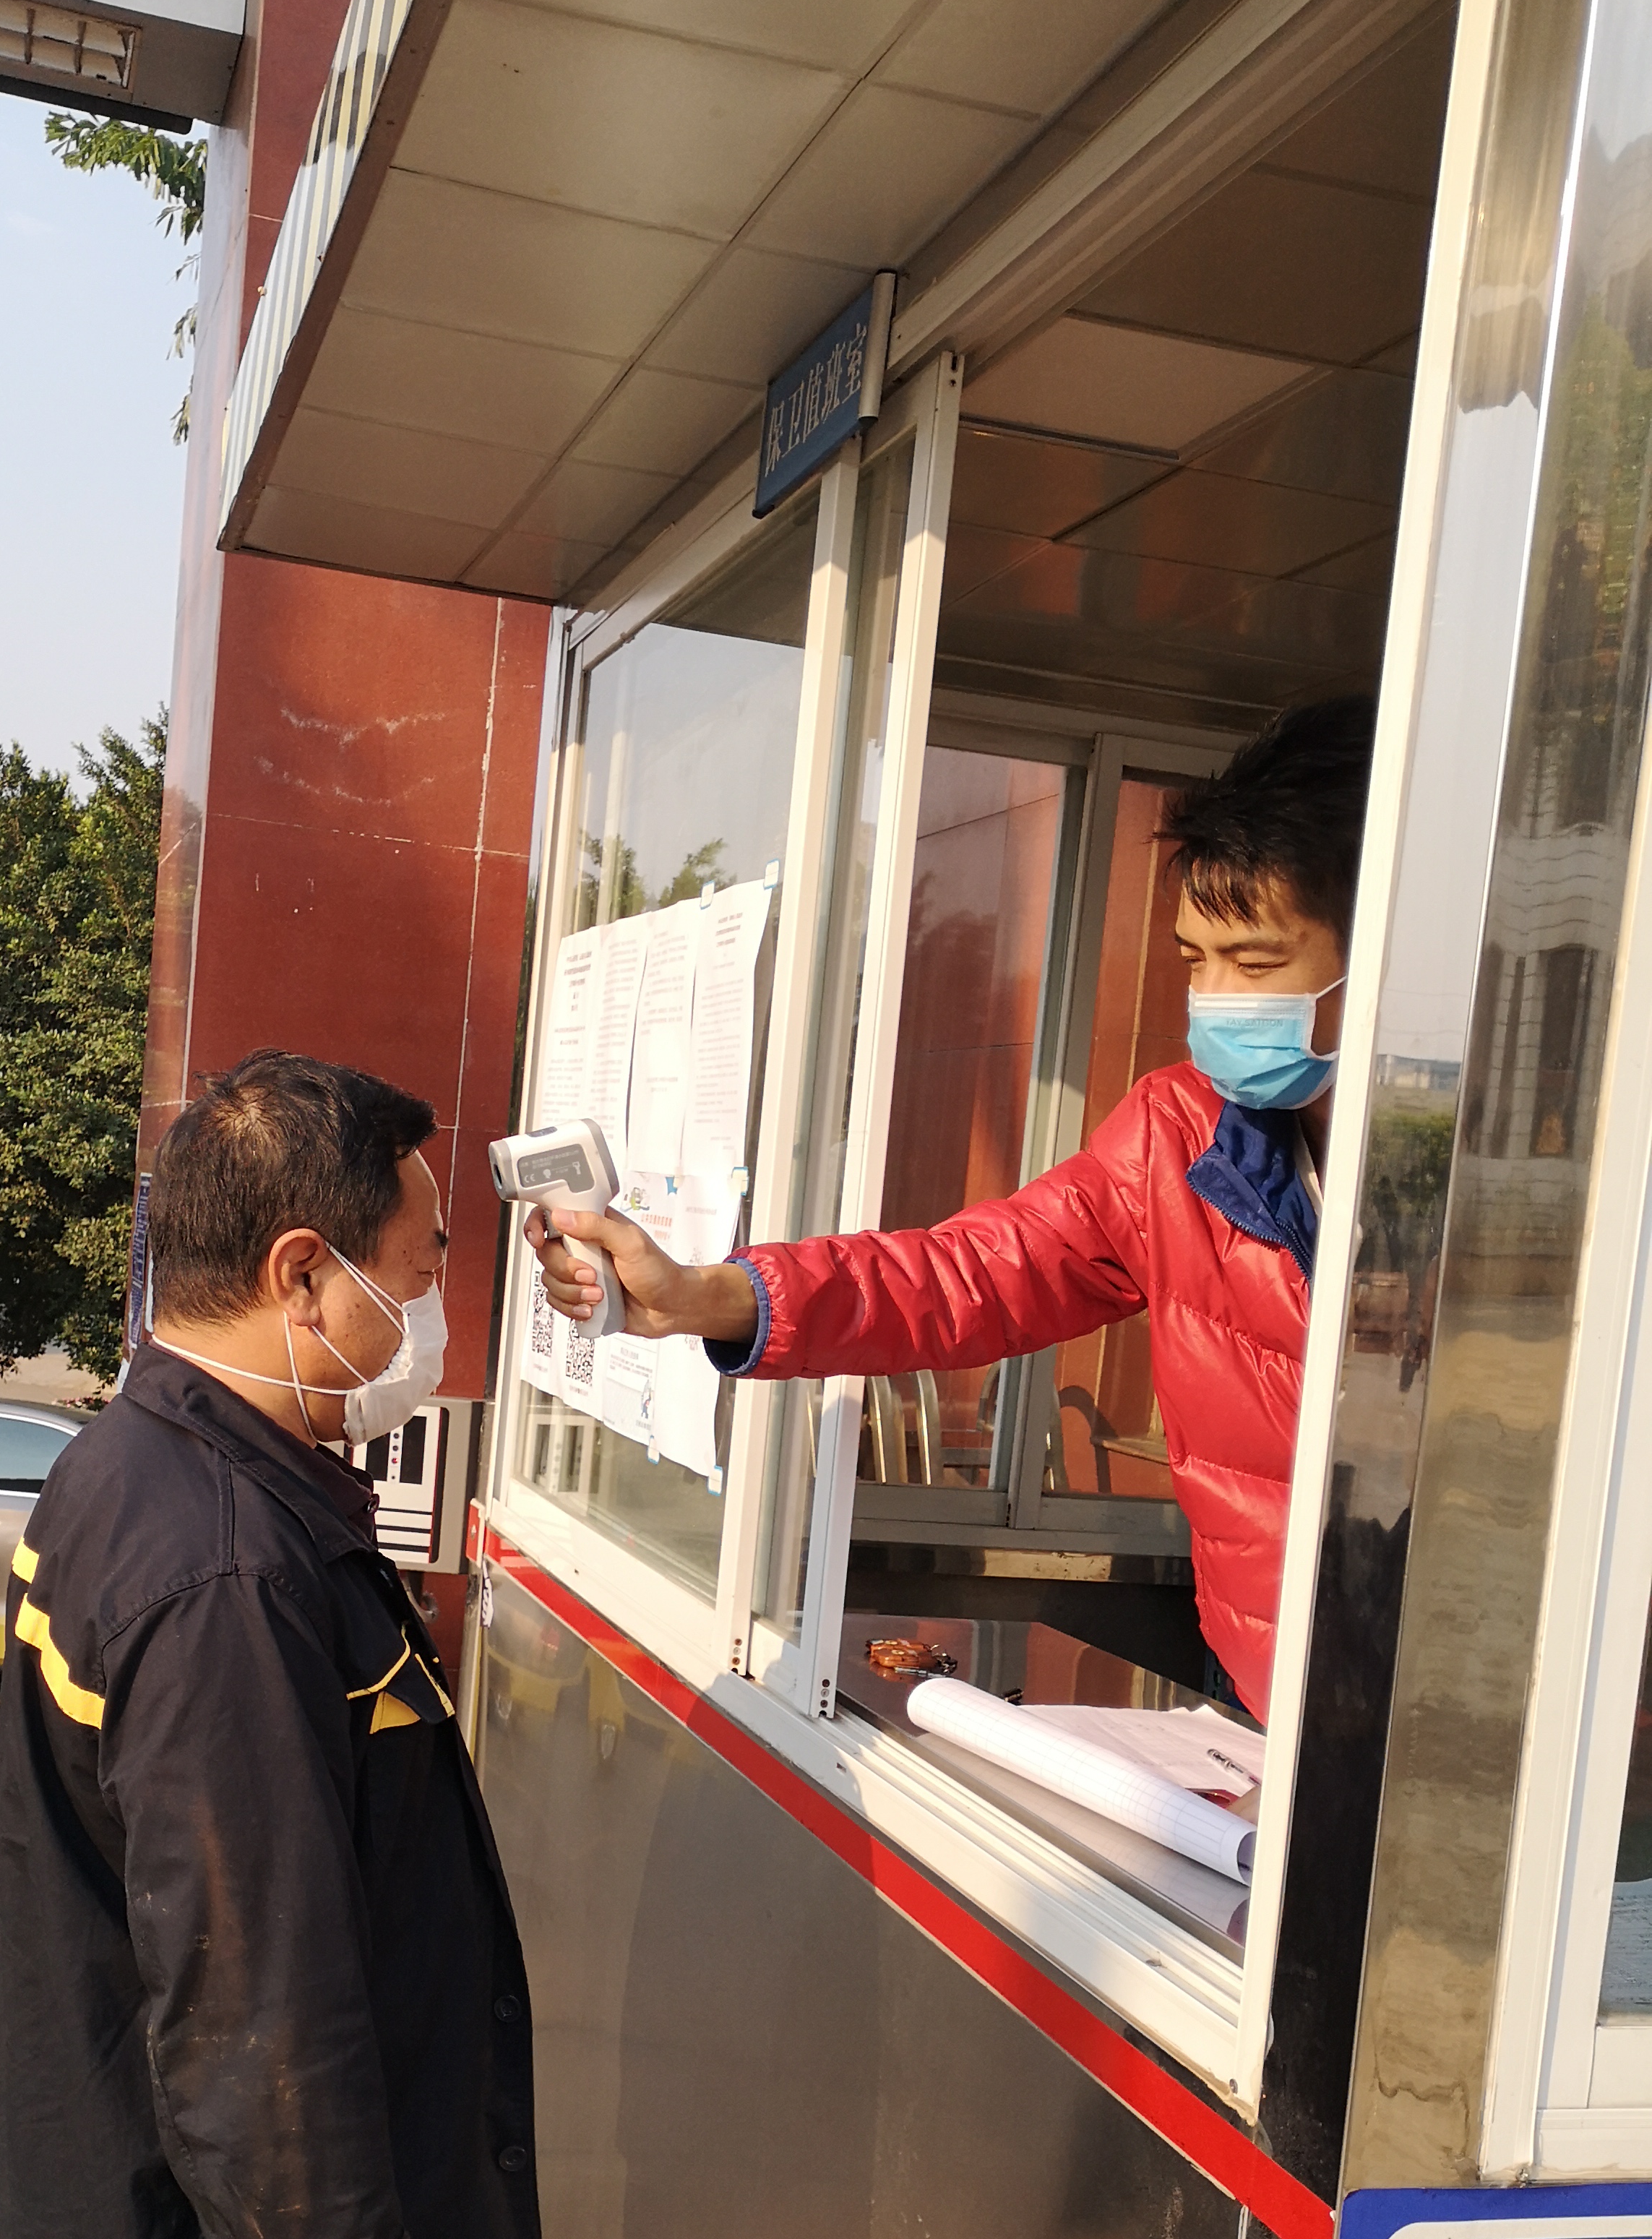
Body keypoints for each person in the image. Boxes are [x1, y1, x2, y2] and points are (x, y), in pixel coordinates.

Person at [0, 1048, 551, 2239]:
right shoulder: (222, 1567)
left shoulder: (148, 1465)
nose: (436, 1310)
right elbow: (252, 1997)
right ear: (305, 1272)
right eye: (423, 1263)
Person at [529, 696, 1374, 1722]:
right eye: (1199, 960)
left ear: (1388, 953)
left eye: (1258, 964)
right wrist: (704, 1297)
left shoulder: (1504, 1189)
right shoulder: (1180, 1138)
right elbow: (965, 1276)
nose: (1221, 999)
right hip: (1283, 1710)